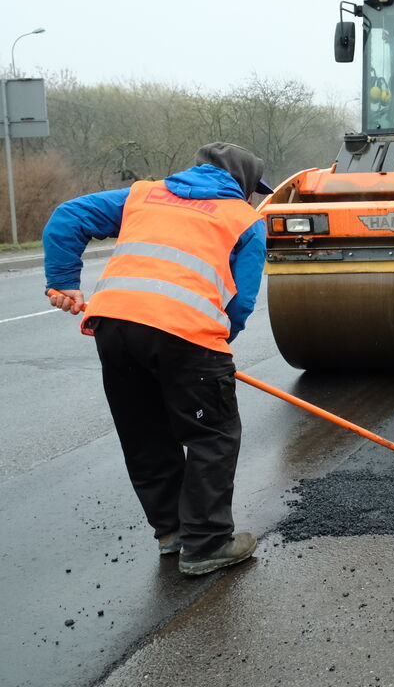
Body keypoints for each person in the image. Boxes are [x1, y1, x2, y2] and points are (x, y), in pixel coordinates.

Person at [43, 143, 271, 576]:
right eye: (253, 189)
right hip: (186, 336)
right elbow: (239, 302)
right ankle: (206, 545)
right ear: (241, 183)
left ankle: (172, 533)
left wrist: (63, 281)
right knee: (212, 436)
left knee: (145, 433)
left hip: (113, 328)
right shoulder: (245, 220)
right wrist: (218, 348)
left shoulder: (142, 195)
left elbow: (68, 216)